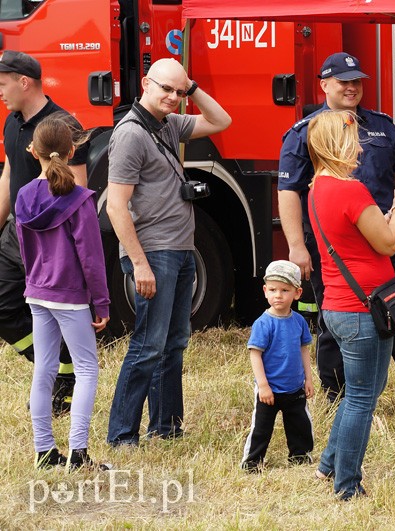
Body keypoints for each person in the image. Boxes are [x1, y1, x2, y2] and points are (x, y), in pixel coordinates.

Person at [278, 52, 395, 427]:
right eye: (342, 81)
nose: (352, 87)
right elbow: (288, 190)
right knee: (336, 322)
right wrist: (295, 246)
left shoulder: (384, 127)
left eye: (357, 81)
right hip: (337, 248)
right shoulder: (306, 131)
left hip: (389, 236)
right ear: (324, 85)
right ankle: (338, 402)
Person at [106, 58, 231, 447]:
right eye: (166, 89)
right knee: (148, 345)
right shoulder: (130, 134)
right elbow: (115, 206)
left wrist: (192, 88)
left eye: (179, 92)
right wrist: (139, 263)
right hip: (155, 253)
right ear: (145, 83)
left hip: (180, 250)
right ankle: (122, 436)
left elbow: (221, 120)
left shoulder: (169, 124)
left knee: (174, 342)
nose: (173, 98)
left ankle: (166, 428)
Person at [307, 109, 395, 500]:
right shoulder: (350, 190)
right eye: (354, 140)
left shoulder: (316, 188)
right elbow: (390, 242)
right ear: (337, 144)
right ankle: (348, 486)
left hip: (340, 306)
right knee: (361, 398)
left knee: (362, 391)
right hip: (363, 310)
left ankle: (328, 465)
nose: (360, 147)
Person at [15, 114, 110, 469]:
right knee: (86, 368)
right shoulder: (80, 199)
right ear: (72, 151)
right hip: (69, 296)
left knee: (44, 369)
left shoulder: (24, 196)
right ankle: (78, 453)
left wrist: (34, 280)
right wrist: (101, 301)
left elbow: (25, 250)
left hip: (37, 291)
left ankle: (44, 452)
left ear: (33, 151)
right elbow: (91, 257)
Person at [0, 50, 89, 416]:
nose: (0, 92)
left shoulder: (63, 125)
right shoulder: (11, 122)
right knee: (3, 307)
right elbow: (8, 177)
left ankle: (64, 378)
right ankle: (51, 368)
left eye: (3, 84)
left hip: (48, 240)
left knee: (50, 315)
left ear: (24, 82)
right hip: (14, 234)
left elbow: (78, 191)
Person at [241, 260, 315, 472]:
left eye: (285, 290)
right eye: (272, 290)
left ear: (297, 293)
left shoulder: (299, 321)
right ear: (265, 291)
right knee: (261, 428)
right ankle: (252, 462)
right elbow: (255, 355)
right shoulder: (263, 323)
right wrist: (263, 386)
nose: (278, 295)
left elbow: (304, 350)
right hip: (269, 390)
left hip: (294, 387)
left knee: (300, 425)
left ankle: (300, 457)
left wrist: (308, 379)